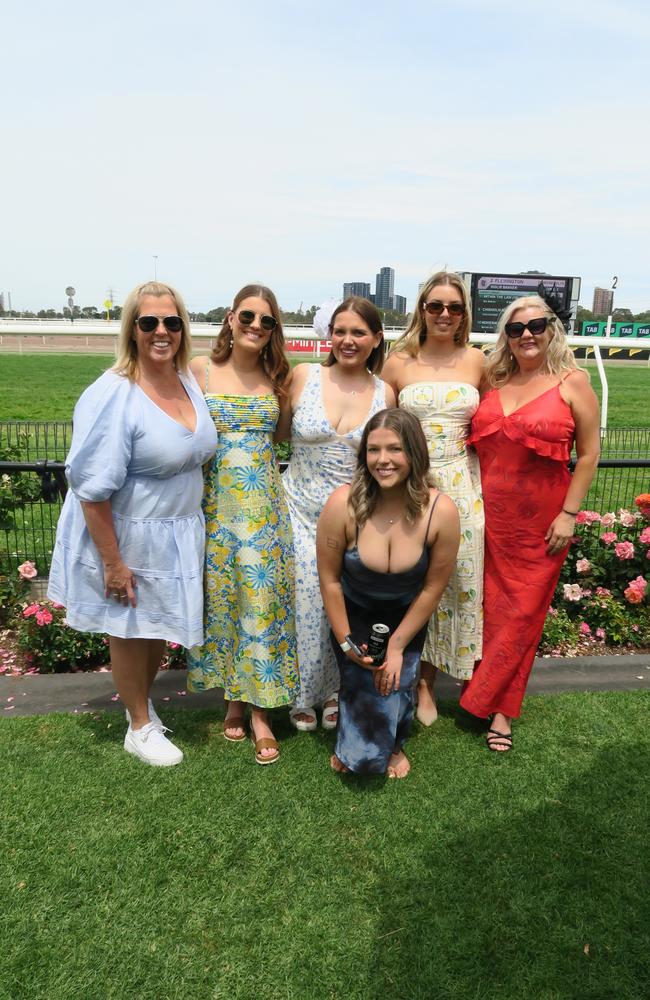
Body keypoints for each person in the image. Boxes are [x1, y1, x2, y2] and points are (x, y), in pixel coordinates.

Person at [48, 281, 219, 766]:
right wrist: (113, 562)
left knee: (157, 626)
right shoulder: (115, 392)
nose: (161, 331)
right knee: (128, 626)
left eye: (172, 322)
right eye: (149, 322)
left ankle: (141, 713)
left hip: (175, 529)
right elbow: (92, 487)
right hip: (128, 531)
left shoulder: (187, 380)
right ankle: (139, 726)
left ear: (184, 328)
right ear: (132, 330)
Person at [459, 294, 600, 750]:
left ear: (551, 329)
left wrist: (569, 513)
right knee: (490, 609)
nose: (526, 335)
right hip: (487, 518)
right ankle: (487, 689)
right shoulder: (495, 381)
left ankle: (498, 708)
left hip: (543, 524)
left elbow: (590, 454)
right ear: (506, 337)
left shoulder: (573, 382)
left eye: (535, 325)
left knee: (522, 615)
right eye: (516, 329)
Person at [186, 284, 299, 765]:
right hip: (215, 509)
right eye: (248, 316)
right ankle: (233, 696)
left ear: (275, 329)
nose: (256, 326)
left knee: (261, 604)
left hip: (265, 512)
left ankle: (260, 713)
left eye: (267, 321)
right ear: (230, 318)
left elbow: (282, 439)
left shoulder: (279, 378)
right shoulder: (199, 370)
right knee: (226, 602)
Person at [317, 409, 460, 778]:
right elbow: (330, 581)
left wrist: (397, 646)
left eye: (395, 449)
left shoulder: (440, 511)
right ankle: (356, 732)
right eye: (374, 450)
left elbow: (433, 587)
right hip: (353, 615)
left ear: (414, 452)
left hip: (406, 617)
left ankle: (395, 742)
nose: (383, 460)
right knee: (364, 683)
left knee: (396, 679)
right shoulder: (343, 504)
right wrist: (347, 643)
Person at [281, 297, 395, 733]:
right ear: (329, 335)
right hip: (296, 508)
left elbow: (386, 458)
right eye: (340, 331)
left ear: (376, 339)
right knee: (305, 599)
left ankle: (334, 692)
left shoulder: (385, 392)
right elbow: (277, 433)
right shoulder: (305, 375)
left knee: (343, 603)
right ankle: (302, 693)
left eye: (358, 332)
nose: (348, 340)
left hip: (352, 516)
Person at [382, 270, 484, 725]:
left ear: (464, 314)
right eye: (435, 306)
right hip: (410, 485)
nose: (444, 314)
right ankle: (408, 678)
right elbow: (381, 424)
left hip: (462, 484)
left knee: (458, 585)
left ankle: (434, 682)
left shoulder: (479, 361)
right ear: (421, 309)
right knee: (412, 585)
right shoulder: (399, 360)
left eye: (454, 307)